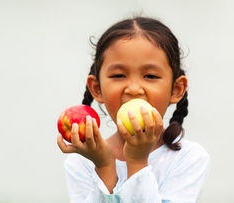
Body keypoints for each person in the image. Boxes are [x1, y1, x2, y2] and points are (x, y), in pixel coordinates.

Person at [57, 16, 210, 203]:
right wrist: (104, 165)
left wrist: (137, 162)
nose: (134, 89)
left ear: (176, 89)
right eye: (119, 75)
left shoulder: (189, 158)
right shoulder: (82, 160)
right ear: (97, 88)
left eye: (151, 76)